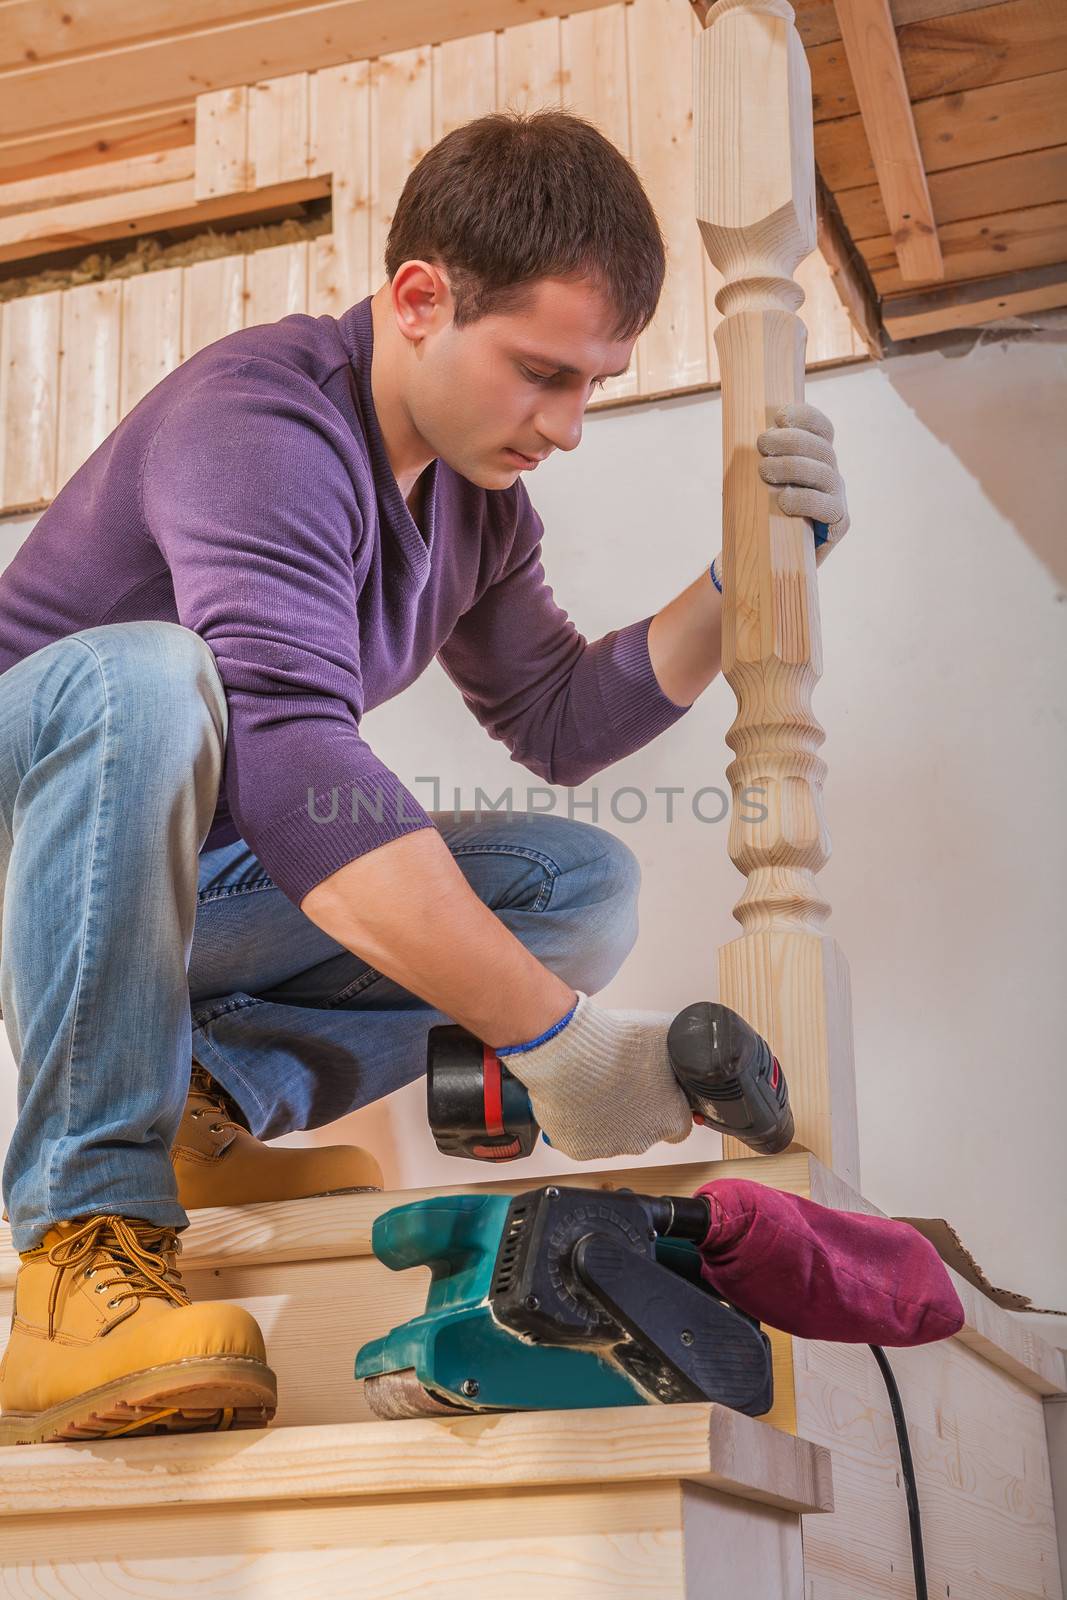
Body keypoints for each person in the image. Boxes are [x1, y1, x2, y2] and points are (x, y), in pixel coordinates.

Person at [0, 109, 850, 1444]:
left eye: (592, 384)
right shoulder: (259, 418)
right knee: (148, 678)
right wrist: (559, 1042)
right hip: (35, 848)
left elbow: (563, 716)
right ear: (417, 299)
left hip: (187, 884)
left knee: (577, 884)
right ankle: (77, 1240)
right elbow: (287, 761)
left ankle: (198, 1106)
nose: (566, 425)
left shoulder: (477, 510)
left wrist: (744, 584)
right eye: (540, 373)